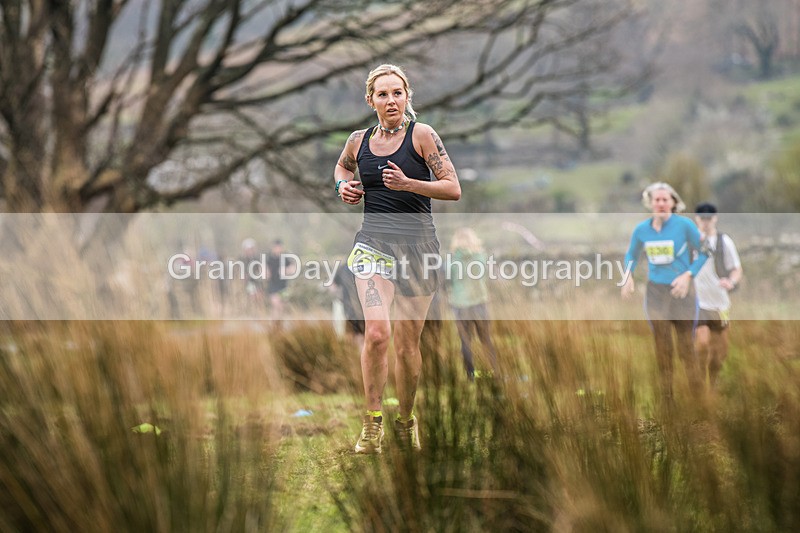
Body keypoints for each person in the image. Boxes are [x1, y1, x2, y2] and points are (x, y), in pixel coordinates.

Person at [334, 64, 461, 454]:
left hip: (419, 250)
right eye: (383, 94)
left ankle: (406, 422)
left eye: (398, 93)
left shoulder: (422, 136)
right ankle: (372, 424)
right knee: (376, 334)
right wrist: (343, 186)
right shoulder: (359, 141)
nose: (391, 101)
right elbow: (341, 166)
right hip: (373, 246)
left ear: (407, 97)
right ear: (370, 100)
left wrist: (409, 184)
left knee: (408, 346)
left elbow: (453, 189)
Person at [621, 182, 708, 401]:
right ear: (650, 203)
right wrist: (627, 276)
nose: (660, 203)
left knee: (685, 347)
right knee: (662, 346)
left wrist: (688, 275)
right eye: (656, 200)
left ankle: (698, 400)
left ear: (673, 203)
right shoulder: (642, 230)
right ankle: (667, 400)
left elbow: (705, 251)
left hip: (681, 292)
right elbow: (631, 254)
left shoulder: (685, 226)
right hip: (656, 293)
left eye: (664, 200)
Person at [693, 202, 743, 390]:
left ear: (715, 219)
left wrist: (731, 282)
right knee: (703, 343)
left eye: (709, 218)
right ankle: (698, 383)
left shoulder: (724, 241)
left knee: (720, 352)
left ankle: (712, 384)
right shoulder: (690, 242)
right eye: (702, 218)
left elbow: (737, 269)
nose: (705, 222)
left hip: (720, 303)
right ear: (696, 219)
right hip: (698, 303)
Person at [447, 228, 499, 381]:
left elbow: (447, 282)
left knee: (465, 342)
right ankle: (495, 372)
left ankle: (470, 377)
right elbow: (491, 277)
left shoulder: (451, 260)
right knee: (486, 340)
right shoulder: (481, 257)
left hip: (460, 306)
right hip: (480, 304)